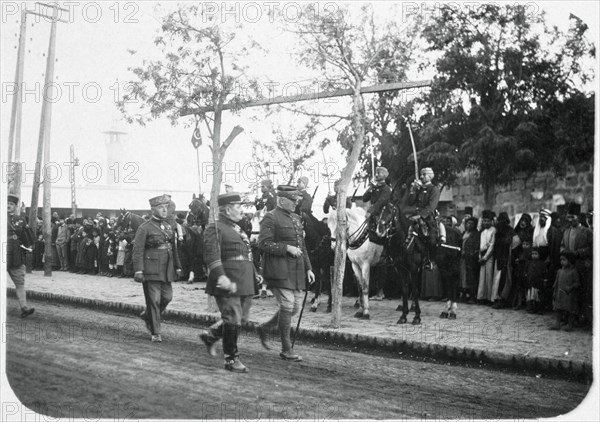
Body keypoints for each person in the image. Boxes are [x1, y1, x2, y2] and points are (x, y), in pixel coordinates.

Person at [199, 192, 262, 373]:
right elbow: (211, 255)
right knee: (233, 317)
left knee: (240, 317)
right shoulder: (215, 228)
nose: (242, 210)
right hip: (227, 279)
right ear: (227, 209)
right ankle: (231, 359)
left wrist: (254, 273)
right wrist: (221, 276)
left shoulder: (236, 228)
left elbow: (245, 254)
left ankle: (211, 336)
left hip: (243, 279)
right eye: (238, 207)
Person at [257, 185, 315, 362]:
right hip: (278, 269)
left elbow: (302, 245)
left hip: (296, 271)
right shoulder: (270, 217)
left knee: (296, 307)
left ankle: (266, 328)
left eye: (297, 201)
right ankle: (286, 349)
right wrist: (286, 248)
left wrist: (309, 268)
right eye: (293, 201)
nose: (296, 204)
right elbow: (263, 244)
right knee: (288, 305)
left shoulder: (296, 218)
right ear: (282, 200)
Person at [132, 194, 183, 342]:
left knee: (167, 297)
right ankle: (156, 332)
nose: (164, 210)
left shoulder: (168, 226)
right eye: (161, 208)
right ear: (153, 210)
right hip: (151, 268)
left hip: (167, 268)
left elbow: (173, 248)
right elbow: (138, 250)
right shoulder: (144, 228)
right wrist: (139, 270)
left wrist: (178, 266)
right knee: (154, 300)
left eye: (166, 207)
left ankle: (148, 315)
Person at [560, 203, 593, 327]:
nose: (570, 220)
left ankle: (581, 317)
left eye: (573, 217)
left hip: (581, 265)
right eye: (569, 217)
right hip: (569, 266)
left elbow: (592, 248)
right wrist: (564, 255)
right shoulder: (566, 231)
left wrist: (579, 253)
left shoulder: (586, 231)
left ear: (578, 217)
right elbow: (562, 245)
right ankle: (568, 316)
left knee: (580, 291)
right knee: (568, 292)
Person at [7, 194, 35, 318]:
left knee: (20, 282)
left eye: (11, 204)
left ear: (15, 206)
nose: (8, 205)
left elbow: (28, 239)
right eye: (6, 203)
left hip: (15, 256)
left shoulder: (21, 220)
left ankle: (24, 307)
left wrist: (28, 248)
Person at [407, 167, 441, 261]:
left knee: (431, 240)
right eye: (421, 175)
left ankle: (431, 261)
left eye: (424, 175)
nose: (421, 177)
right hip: (416, 217)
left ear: (430, 176)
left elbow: (431, 206)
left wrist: (421, 215)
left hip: (428, 219)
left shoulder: (434, 189)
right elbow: (410, 202)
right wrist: (413, 190)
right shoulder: (419, 189)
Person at [550, 251, 580, 331]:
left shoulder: (573, 272)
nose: (561, 262)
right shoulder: (559, 271)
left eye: (564, 260)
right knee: (558, 309)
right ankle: (557, 323)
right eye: (561, 260)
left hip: (569, 295)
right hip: (560, 294)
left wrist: (571, 287)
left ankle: (570, 325)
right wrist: (555, 291)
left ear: (570, 261)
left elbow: (577, 283)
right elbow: (556, 282)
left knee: (570, 310)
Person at [477, 210, 496, 304]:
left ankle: (489, 298)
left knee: (489, 277)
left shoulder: (493, 230)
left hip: (489, 256)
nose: (486, 223)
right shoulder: (482, 231)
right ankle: (482, 297)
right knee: (482, 278)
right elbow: (480, 245)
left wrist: (485, 257)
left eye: (488, 221)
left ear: (492, 221)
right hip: (482, 255)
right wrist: (480, 256)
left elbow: (492, 245)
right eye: (484, 221)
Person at [525, 247, 548, 314]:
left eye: (536, 254)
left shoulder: (542, 264)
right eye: (533, 254)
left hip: (538, 283)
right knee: (531, 295)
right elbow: (527, 272)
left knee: (538, 296)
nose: (534, 255)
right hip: (530, 282)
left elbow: (545, 273)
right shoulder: (529, 263)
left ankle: (539, 309)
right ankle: (531, 307)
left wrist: (544, 280)